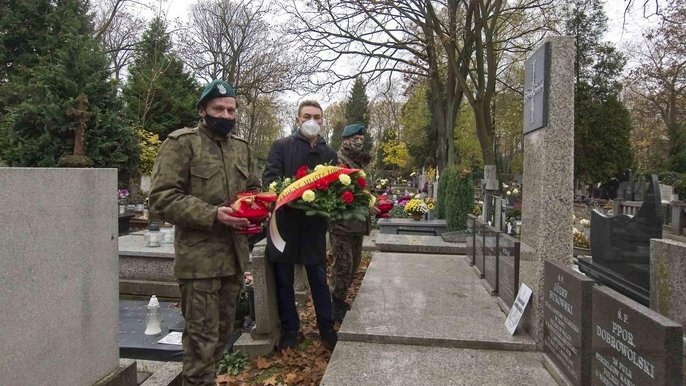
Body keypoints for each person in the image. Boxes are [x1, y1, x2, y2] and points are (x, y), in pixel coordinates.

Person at [149, 80, 260, 386]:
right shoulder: (182, 143)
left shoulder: (242, 148)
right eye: (218, 109)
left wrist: (256, 212)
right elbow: (162, 198)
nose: (226, 115)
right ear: (202, 111)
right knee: (200, 344)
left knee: (221, 337)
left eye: (231, 109)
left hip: (233, 259)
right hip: (199, 263)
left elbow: (253, 191)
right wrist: (213, 215)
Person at [263, 100, 339, 350]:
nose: (312, 121)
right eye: (307, 116)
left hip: (314, 228)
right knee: (284, 282)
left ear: (322, 120)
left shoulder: (329, 153)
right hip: (284, 226)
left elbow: (336, 187)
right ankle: (290, 331)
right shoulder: (281, 146)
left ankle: (326, 329)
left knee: (318, 280)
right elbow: (270, 180)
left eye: (317, 117)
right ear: (297, 119)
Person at [328, 124, 377, 322]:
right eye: (356, 139)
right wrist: (366, 203)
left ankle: (340, 301)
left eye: (362, 140)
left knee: (354, 264)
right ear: (346, 140)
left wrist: (373, 201)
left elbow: (364, 190)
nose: (359, 142)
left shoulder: (359, 163)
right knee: (343, 266)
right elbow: (341, 193)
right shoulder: (339, 161)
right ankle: (334, 306)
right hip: (342, 225)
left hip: (357, 224)